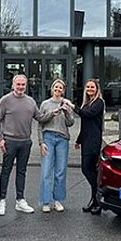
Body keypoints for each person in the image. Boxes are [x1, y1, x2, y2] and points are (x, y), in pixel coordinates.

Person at [0, 73, 39, 216]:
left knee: (22, 171)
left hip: (25, 142)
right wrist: (0, 139)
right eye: (18, 84)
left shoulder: (31, 101)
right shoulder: (5, 100)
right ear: (13, 85)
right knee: (5, 170)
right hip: (10, 142)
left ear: (26, 85)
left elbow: (40, 117)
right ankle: (2, 200)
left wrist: (54, 113)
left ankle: (20, 200)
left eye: (23, 84)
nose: (20, 87)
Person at [36, 79, 75, 213]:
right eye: (56, 87)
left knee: (60, 171)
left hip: (62, 139)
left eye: (60, 88)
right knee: (46, 170)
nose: (58, 90)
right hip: (48, 138)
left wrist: (66, 112)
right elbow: (40, 122)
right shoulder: (45, 104)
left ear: (63, 90)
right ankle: (46, 201)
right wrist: (41, 142)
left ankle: (57, 200)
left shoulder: (66, 103)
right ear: (52, 89)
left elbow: (71, 123)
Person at [75, 78, 105, 216]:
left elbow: (88, 114)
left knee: (88, 169)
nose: (90, 89)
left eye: (92, 87)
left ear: (97, 89)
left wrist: (72, 107)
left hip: (93, 141)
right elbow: (85, 123)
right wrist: (79, 140)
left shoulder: (98, 103)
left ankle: (98, 198)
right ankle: (95, 199)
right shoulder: (87, 103)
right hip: (86, 140)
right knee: (88, 170)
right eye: (88, 87)